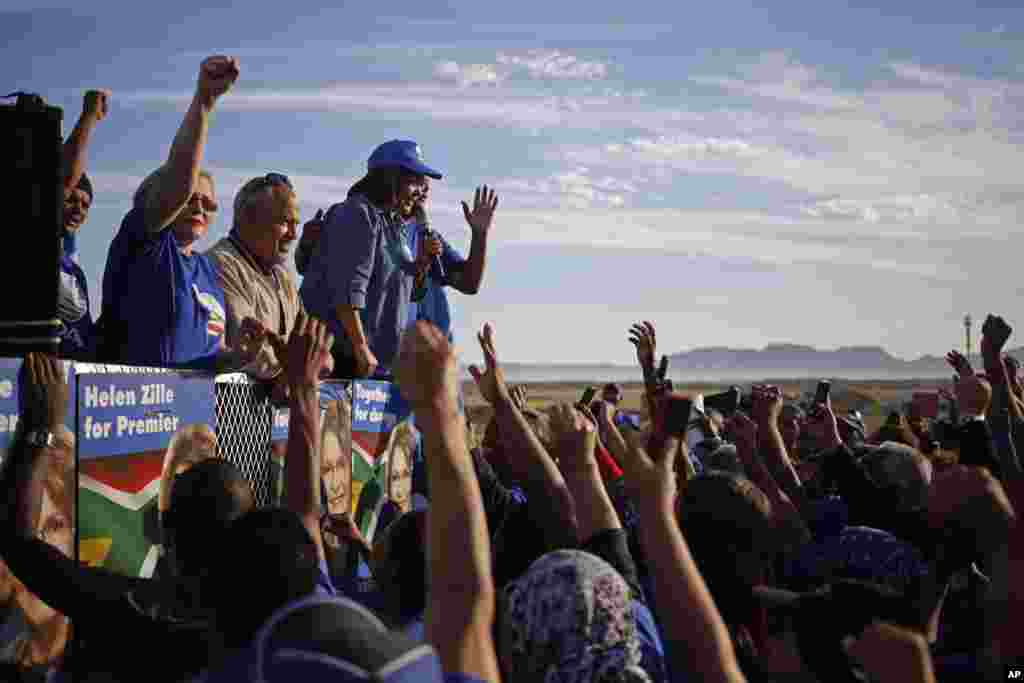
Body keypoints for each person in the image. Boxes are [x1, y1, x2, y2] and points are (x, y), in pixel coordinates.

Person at [0, 353, 256, 682]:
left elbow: (20, 546)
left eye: (56, 524)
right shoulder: (272, 619)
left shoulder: (136, 613)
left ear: (167, 534)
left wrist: (38, 428)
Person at [99, 56, 238, 368]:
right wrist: (204, 102)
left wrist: (243, 356)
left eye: (208, 203)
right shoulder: (142, 242)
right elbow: (178, 182)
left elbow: (213, 352)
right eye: (190, 199)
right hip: (132, 397)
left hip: (196, 400)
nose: (199, 207)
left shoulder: (207, 269)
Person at [299, 140, 441, 379]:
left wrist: (423, 262)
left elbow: (409, 294)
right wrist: (361, 346)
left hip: (374, 365)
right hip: (336, 361)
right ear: (391, 179)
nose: (420, 192)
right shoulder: (356, 213)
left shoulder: (396, 226)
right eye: (415, 181)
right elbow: (347, 289)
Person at [207, 172, 316, 386]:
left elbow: (312, 347)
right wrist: (294, 370)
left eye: (296, 224)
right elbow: (250, 351)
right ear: (249, 220)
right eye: (284, 222)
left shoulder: (282, 275)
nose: (293, 234)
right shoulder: (221, 264)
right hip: (228, 402)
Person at [58, 89, 109, 359]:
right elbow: (65, 176)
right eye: (71, 200)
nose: (79, 209)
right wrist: (89, 117)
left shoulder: (73, 265)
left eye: (86, 204)